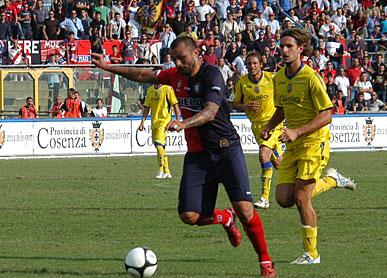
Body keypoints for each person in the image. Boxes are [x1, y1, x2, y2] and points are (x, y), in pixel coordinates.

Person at [92, 36, 277, 277]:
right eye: (174, 59)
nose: (178, 63)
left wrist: (183, 123)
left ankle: (266, 264)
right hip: (198, 155)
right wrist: (108, 67)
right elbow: (142, 76)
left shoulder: (212, 75)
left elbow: (211, 112)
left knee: (245, 210)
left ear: (196, 53)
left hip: (226, 151)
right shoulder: (173, 76)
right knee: (189, 216)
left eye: (182, 58)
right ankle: (224, 218)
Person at [261, 29, 356, 265]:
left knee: (303, 198)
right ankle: (332, 180)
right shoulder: (279, 77)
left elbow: (327, 115)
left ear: (300, 49)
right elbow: (281, 109)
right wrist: (270, 127)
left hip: (314, 141)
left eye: (289, 46)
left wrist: (296, 131)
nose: (283, 50)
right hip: (293, 142)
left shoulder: (311, 77)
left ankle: (312, 254)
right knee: (284, 198)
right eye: (281, 46)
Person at [230, 51, 283, 209]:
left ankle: (264, 198)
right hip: (257, 127)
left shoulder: (271, 78)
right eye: (249, 64)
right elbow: (234, 103)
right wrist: (246, 106)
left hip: (273, 124)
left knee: (263, 155)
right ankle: (306, 182)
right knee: (280, 164)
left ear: (261, 64)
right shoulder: (242, 83)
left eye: (255, 63)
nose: (252, 66)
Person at [139, 84, 180, 179]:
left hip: (164, 121)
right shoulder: (150, 90)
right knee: (160, 147)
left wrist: (178, 119)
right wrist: (142, 122)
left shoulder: (167, 89)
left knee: (158, 144)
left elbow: (175, 104)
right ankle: (167, 172)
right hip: (154, 122)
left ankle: (161, 169)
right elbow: (147, 108)